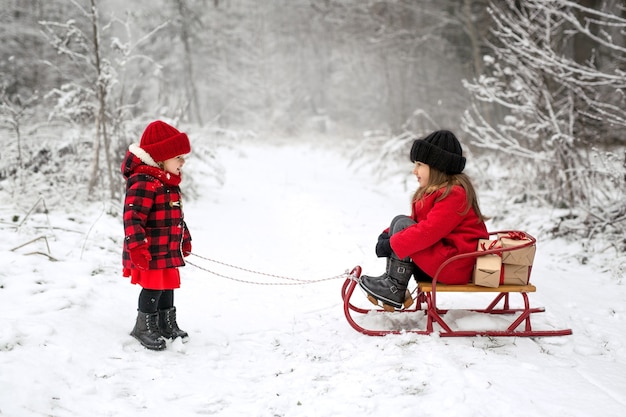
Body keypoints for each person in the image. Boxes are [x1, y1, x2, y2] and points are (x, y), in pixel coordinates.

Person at [359, 130, 488, 310]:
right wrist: (386, 235)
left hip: (454, 264)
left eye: (419, 164)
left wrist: (391, 244)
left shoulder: (454, 195)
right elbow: (417, 221)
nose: (414, 171)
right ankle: (392, 282)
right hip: (445, 259)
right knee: (401, 221)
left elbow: (428, 231)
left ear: (436, 166)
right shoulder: (438, 192)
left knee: (404, 226)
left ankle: (395, 287)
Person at [121, 120, 192, 350]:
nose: (183, 162)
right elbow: (132, 218)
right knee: (153, 287)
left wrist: (185, 238)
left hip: (167, 248)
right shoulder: (144, 181)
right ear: (161, 158)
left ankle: (165, 323)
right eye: (178, 157)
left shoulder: (168, 183)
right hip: (149, 250)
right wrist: (137, 248)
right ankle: (144, 326)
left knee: (168, 285)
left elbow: (176, 217)